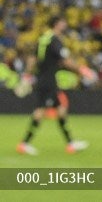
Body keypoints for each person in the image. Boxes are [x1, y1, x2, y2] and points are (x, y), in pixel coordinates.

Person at [16, 16, 92, 155]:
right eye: (63, 22)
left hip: (43, 79)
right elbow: (66, 60)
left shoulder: (43, 39)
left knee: (61, 109)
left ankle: (70, 143)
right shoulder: (55, 40)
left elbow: (33, 58)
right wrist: (82, 70)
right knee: (40, 111)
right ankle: (24, 143)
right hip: (49, 81)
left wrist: (27, 74)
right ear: (57, 24)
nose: (65, 24)